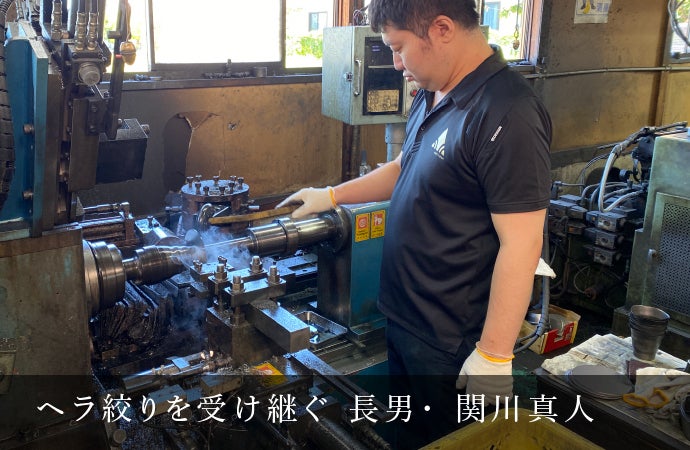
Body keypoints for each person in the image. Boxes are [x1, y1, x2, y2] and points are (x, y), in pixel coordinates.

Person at [277, 0, 552, 447]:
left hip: (451, 341)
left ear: (442, 29)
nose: (395, 63)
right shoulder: (433, 90)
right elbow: (406, 166)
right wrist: (332, 196)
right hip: (405, 317)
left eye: (398, 47)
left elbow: (522, 243)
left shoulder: (507, 113)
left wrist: (494, 353)